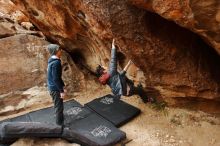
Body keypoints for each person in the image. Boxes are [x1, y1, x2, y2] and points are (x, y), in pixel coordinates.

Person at [47, 44, 66, 125]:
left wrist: (63, 85)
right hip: (55, 89)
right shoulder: (56, 63)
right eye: (59, 49)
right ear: (56, 51)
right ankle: (59, 126)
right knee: (59, 107)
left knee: (57, 105)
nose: (61, 51)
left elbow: (56, 77)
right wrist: (61, 91)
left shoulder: (51, 60)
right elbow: (56, 78)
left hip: (52, 87)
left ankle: (59, 119)